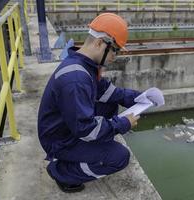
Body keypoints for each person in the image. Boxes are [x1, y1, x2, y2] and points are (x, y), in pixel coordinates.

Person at [37, 13, 141, 193]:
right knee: (119, 157)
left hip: (65, 127)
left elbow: (109, 92)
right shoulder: (76, 79)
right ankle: (62, 172)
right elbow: (86, 129)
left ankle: (91, 150)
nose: (115, 55)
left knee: (110, 104)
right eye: (115, 49)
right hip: (60, 140)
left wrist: (138, 98)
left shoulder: (85, 64)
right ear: (100, 43)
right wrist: (123, 124)